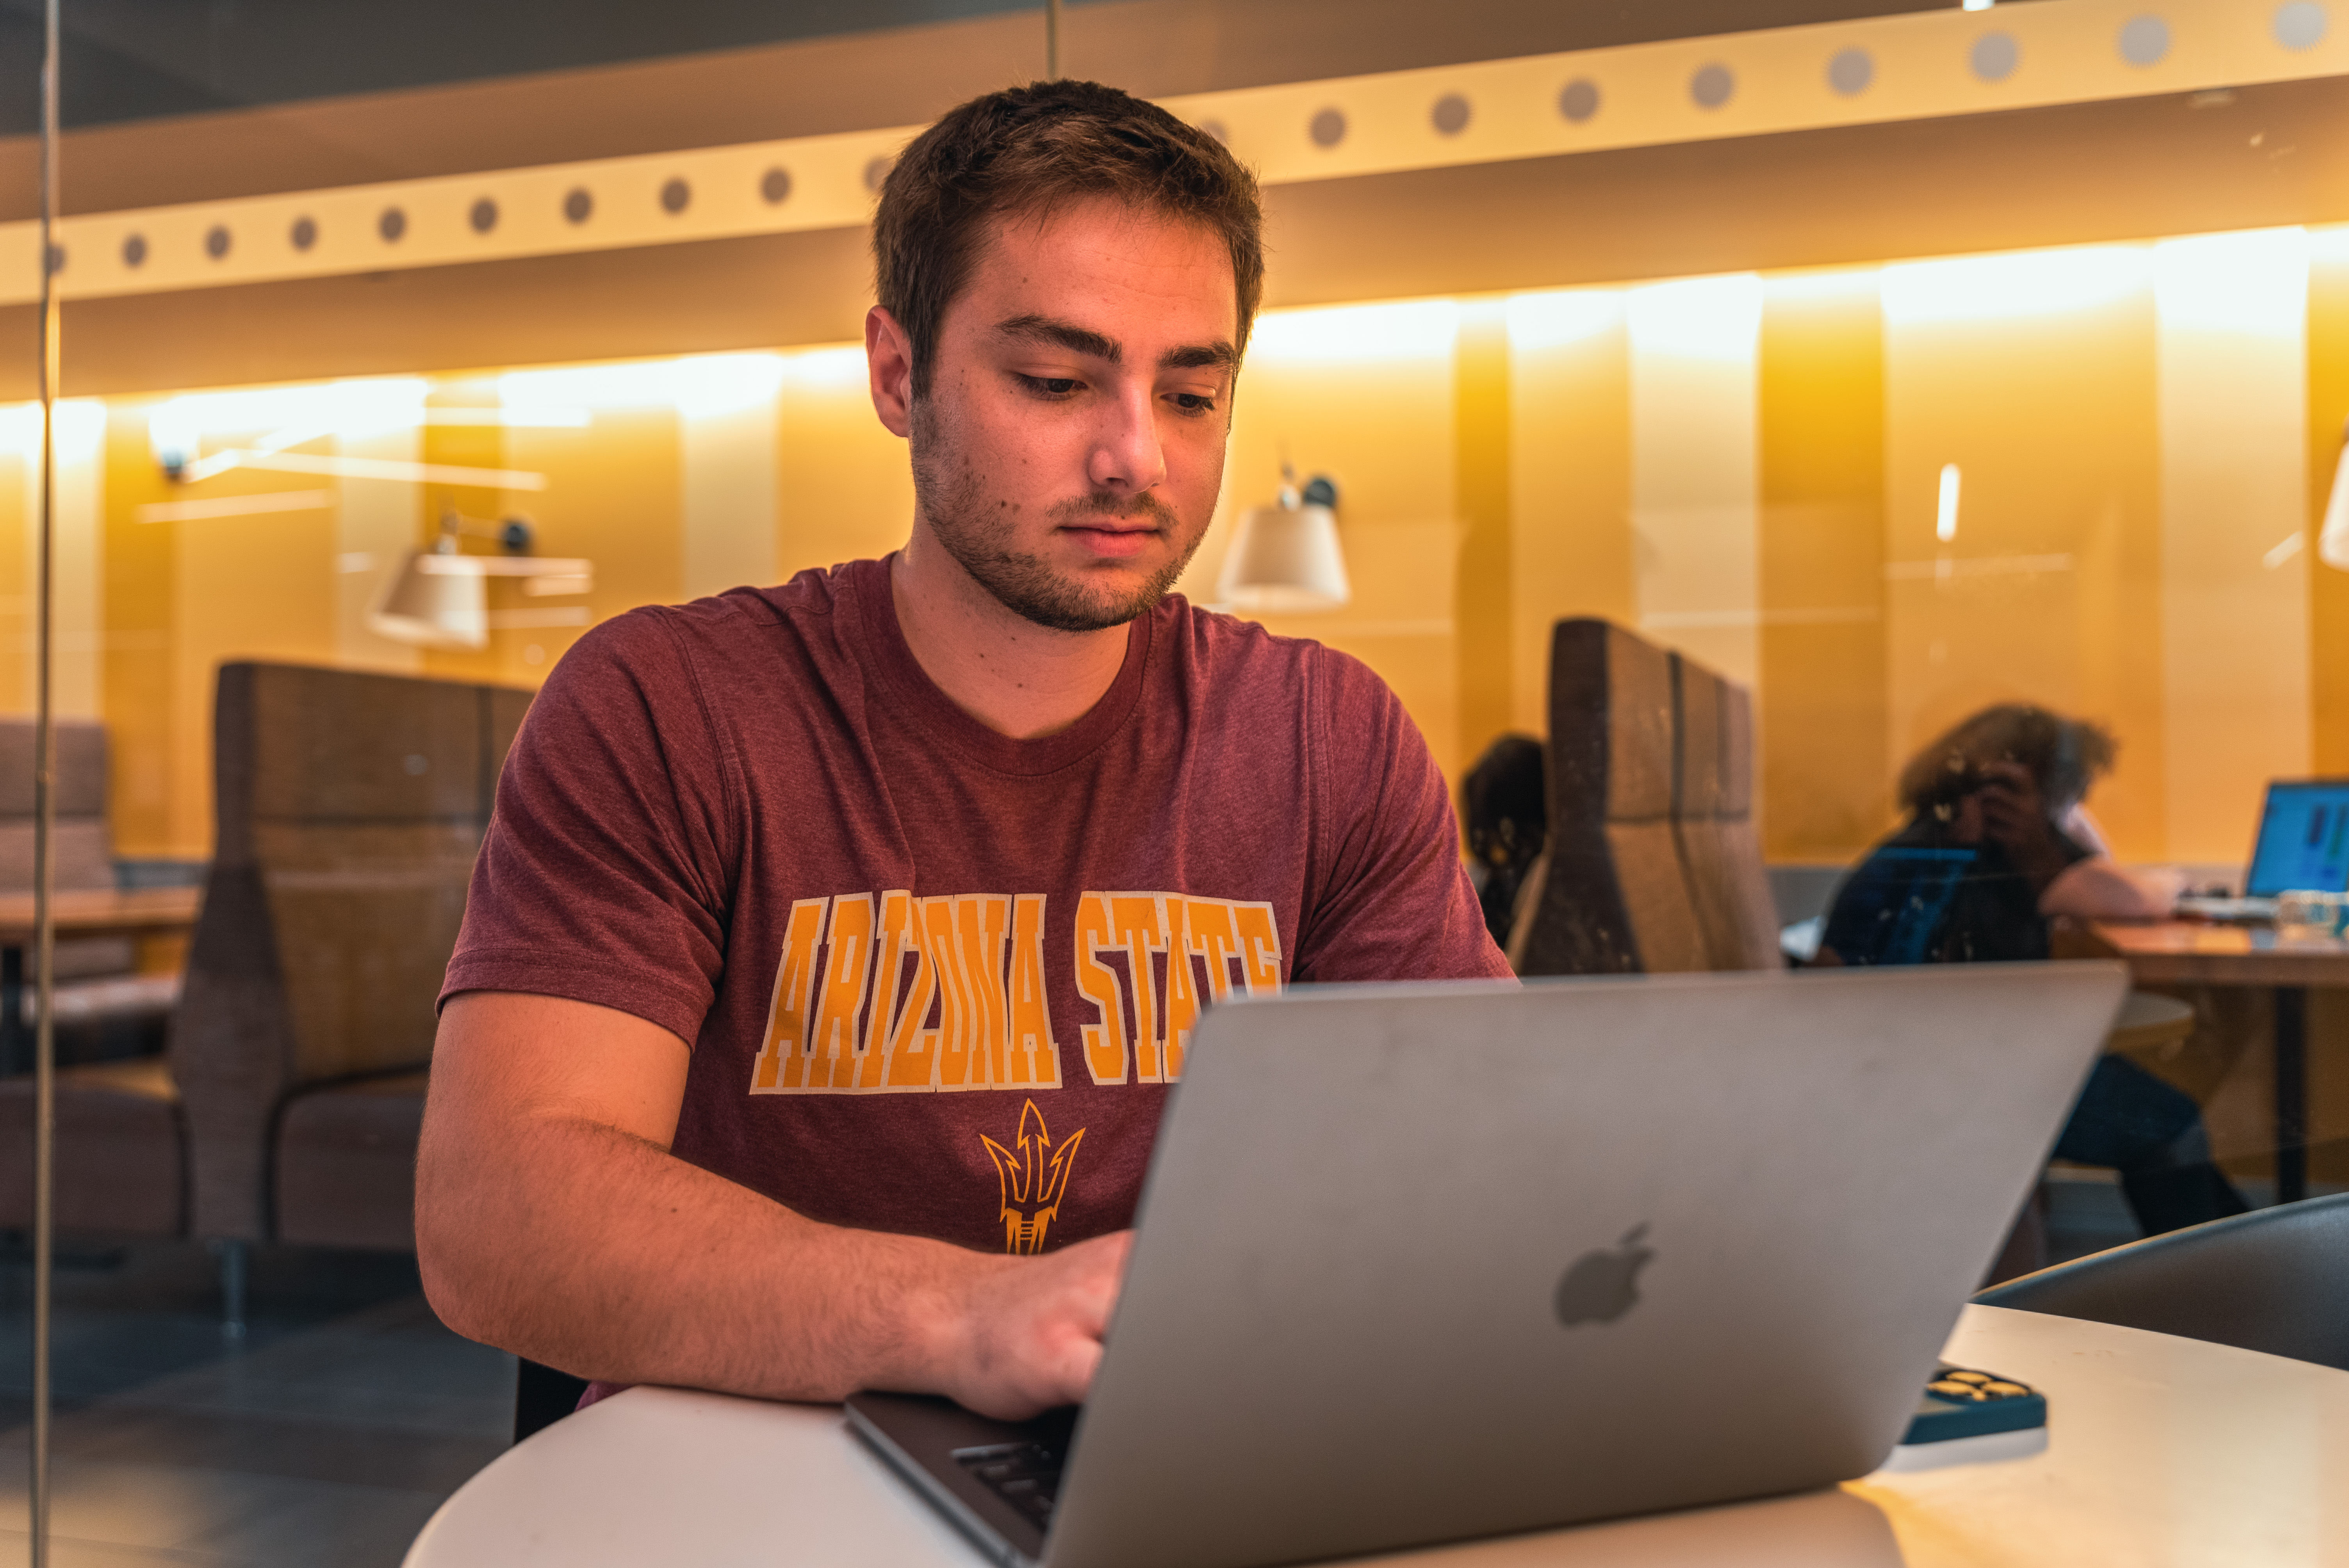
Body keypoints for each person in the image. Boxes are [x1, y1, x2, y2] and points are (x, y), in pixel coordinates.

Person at [413, 80, 1509, 1424]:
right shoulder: (669, 707)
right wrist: (962, 1313)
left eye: (1190, 393)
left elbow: (1479, 1152)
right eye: (1055, 380)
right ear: (896, 371)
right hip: (748, 1464)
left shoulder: (1325, 735)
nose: (1133, 456)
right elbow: (498, 1216)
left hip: (1171, 1447)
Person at [1820, 704, 2243, 1236]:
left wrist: (2058, 825)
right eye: (2071, 788)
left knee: (2168, 1120)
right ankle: (2223, 1276)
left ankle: (2242, 1255)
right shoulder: (1994, 849)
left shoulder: (1927, 840)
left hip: (1921, 1057)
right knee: (2169, 1124)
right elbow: (2124, 894)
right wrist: (2046, 833)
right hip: (1960, 1070)